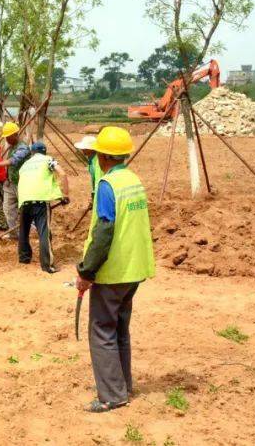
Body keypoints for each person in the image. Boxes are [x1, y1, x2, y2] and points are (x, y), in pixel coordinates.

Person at [76, 126, 155, 413]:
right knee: (120, 328)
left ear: (103, 156)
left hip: (114, 272)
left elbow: (104, 231)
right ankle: (123, 384)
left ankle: (111, 395)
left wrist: (87, 271)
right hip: (135, 269)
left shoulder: (109, 185)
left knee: (101, 329)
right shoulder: (133, 180)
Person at [15, 141, 69, 273]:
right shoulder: (48, 159)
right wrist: (65, 195)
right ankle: (47, 265)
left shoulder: (25, 164)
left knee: (24, 231)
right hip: (40, 200)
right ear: (45, 152)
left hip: (24, 200)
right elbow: (62, 174)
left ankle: (24, 258)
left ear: (33, 152)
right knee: (44, 232)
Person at [0, 122, 31, 230]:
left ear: (15, 135)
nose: (6, 140)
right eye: (5, 137)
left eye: (8, 137)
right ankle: (13, 232)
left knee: (25, 209)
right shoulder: (12, 147)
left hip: (22, 183)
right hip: (11, 183)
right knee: (7, 209)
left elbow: (13, 161)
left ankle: (29, 230)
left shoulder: (23, 148)